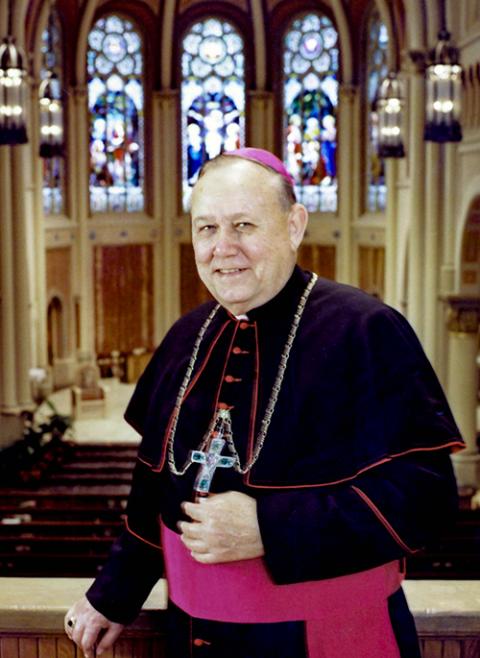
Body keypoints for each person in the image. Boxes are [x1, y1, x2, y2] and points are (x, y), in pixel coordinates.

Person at [65, 147, 464, 658]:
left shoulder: (366, 331)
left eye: (244, 225)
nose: (222, 247)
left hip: (329, 636)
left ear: (294, 225)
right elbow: (152, 491)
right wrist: (113, 596)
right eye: (206, 228)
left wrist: (271, 527)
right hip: (195, 637)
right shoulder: (186, 337)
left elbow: (426, 499)